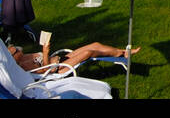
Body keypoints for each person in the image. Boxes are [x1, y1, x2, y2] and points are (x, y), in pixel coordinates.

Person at [9, 40, 140, 73]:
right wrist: (45, 52)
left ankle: (122, 51)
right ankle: (120, 54)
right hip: (59, 68)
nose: (18, 48)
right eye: (15, 50)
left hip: (61, 59)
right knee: (88, 53)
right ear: (13, 57)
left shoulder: (24, 56)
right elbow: (45, 69)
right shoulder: (23, 66)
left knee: (95, 44)